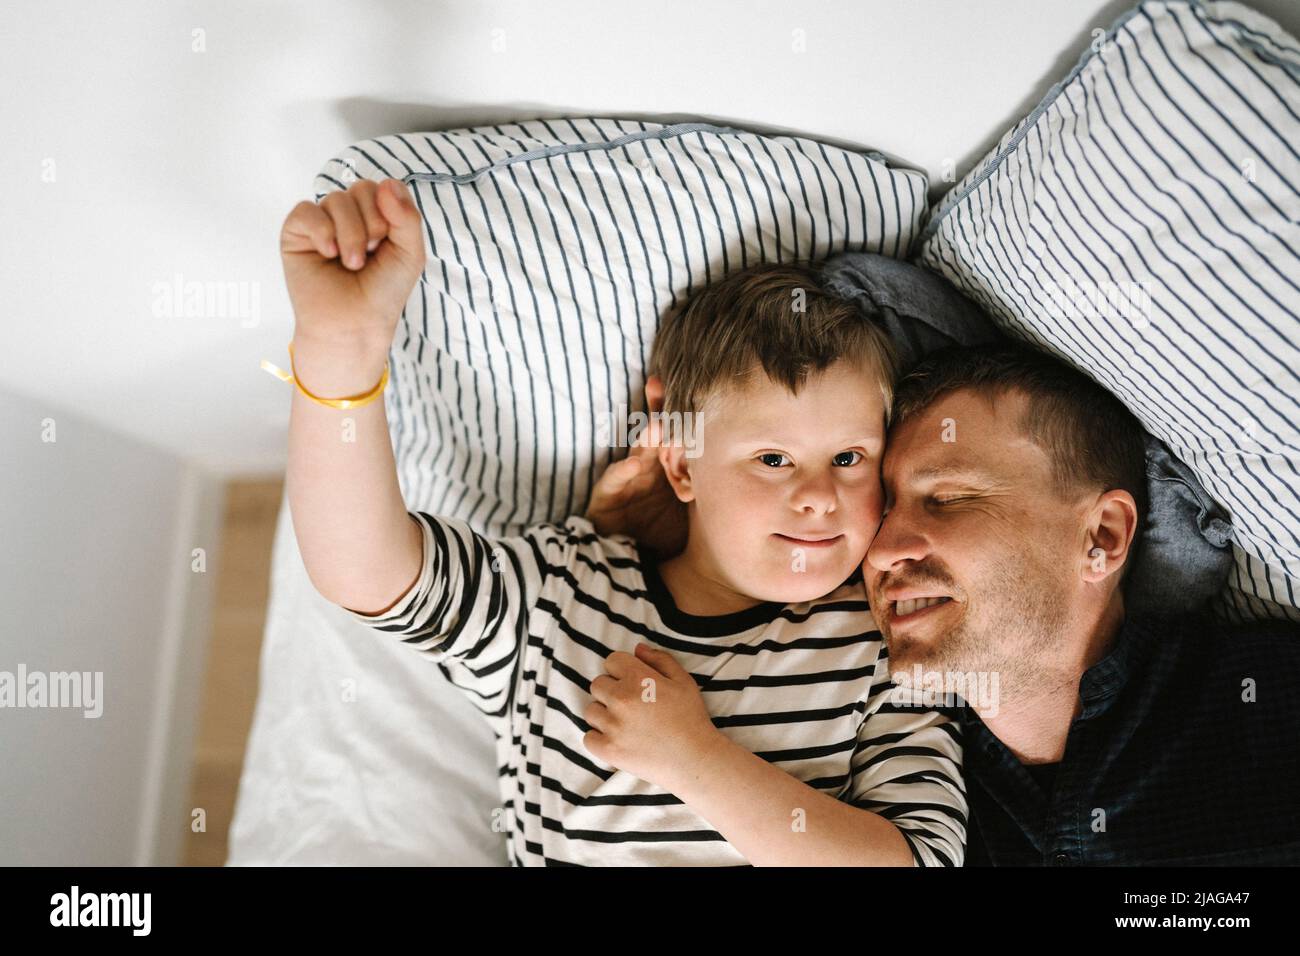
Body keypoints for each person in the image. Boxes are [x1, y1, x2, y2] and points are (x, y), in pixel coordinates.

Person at [278, 177, 966, 866]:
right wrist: (340, 359)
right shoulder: (565, 593)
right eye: (773, 458)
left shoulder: (882, 639)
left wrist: (694, 760)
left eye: (848, 456)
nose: (819, 496)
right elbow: (366, 572)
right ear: (682, 461)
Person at [592, 339, 1300, 865]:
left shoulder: (1266, 703)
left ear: (1102, 535)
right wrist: (658, 551)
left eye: (948, 498)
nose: (882, 548)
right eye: (885, 508)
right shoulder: (883, 769)